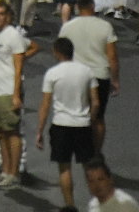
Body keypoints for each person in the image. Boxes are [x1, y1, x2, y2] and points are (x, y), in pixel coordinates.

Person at [36, 35, 101, 209]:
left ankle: (70, 206)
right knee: (90, 168)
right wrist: (91, 120)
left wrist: (39, 131)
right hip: (83, 125)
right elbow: (95, 102)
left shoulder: (52, 74)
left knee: (64, 168)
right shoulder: (87, 71)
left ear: (57, 52)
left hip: (61, 125)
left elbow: (45, 105)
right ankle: (97, 203)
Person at [0, 0, 37, 189]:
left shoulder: (12, 35)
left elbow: (19, 67)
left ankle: (14, 173)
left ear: (8, 16)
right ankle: (5, 171)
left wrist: (16, 94)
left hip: (7, 92)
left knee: (12, 133)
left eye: (1, 14)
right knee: (1, 133)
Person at [59, 0, 120, 151]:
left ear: (77, 7)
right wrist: (115, 80)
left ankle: (79, 147)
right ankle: (96, 152)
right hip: (100, 76)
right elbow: (112, 57)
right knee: (98, 118)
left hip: (75, 77)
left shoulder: (67, 27)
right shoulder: (105, 27)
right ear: (93, 7)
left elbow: (61, 53)